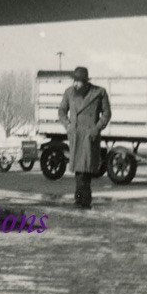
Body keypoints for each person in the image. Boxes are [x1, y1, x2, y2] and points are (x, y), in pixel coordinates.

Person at [57, 66, 111, 209]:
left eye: (78, 81)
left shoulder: (99, 93)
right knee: (79, 171)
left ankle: (83, 201)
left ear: (86, 82)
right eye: (74, 80)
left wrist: (96, 128)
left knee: (85, 171)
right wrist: (68, 126)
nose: (75, 84)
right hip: (76, 136)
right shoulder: (69, 93)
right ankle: (81, 200)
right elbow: (62, 111)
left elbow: (106, 114)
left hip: (89, 137)